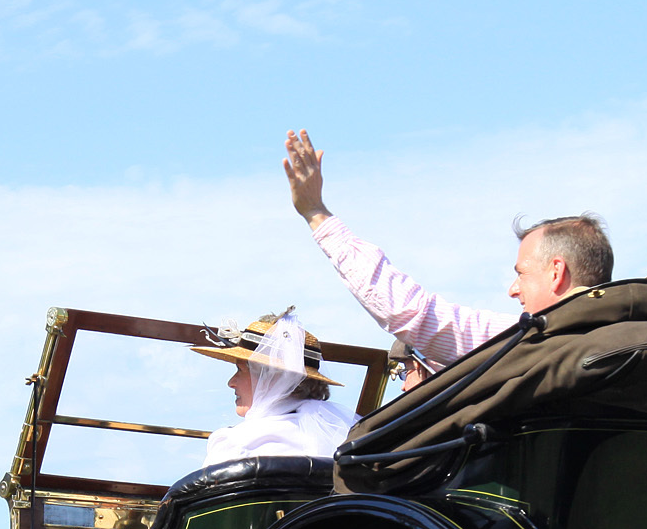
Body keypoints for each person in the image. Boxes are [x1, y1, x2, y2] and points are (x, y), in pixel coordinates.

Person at [283, 130, 618, 372]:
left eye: (522, 274)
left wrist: (317, 215)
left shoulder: (525, 339)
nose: (513, 289)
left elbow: (410, 312)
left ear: (556, 272)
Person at [193, 311, 359, 466]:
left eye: (240, 370)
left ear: (271, 378)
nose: (231, 382)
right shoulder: (350, 435)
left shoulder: (236, 445)